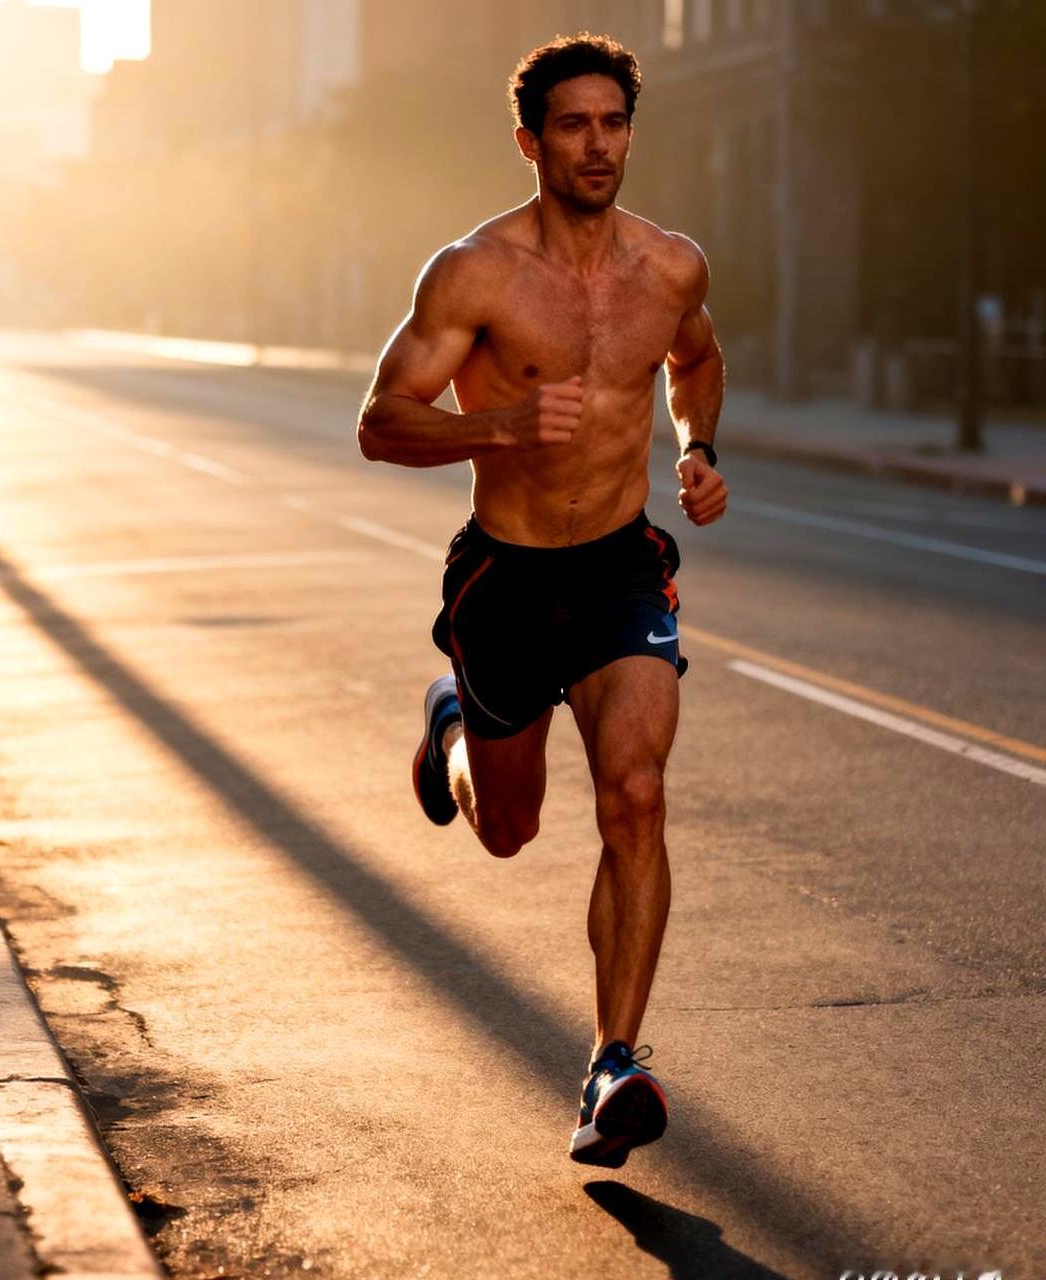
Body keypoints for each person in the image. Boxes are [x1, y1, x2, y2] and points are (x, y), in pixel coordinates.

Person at [357, 33, 727, 1168]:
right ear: (529, 141)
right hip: (505, 578)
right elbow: (380, 419)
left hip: (619, 567)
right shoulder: (473, 273)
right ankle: (453, 725)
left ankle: (614, 1059)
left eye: (611, 122)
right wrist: (497, 426)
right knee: (509, 831)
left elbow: (694, 359)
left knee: (634, 793)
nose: (596, 144)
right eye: (571, 125)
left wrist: (698, 447)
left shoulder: (668, 268)